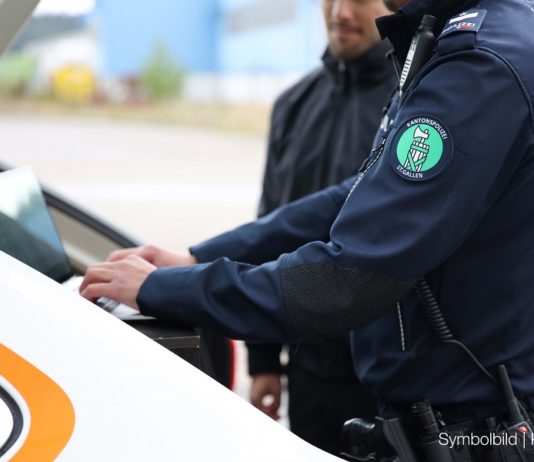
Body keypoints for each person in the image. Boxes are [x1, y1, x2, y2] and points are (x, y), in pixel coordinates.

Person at [81, 0, 534, 458]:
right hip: (434, 411)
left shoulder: (478, 66)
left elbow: (348, 278)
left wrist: (168, 289)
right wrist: (199, 259)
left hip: (476, 428)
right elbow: (359, 197)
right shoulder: (453, 42)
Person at [247, 0, 396, 455]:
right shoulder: (293, 104)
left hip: (393, 382)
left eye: (360, 0)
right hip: (310, 374)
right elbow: (268, 228)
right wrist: (264, 360)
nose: (340, 13)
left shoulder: (416, 104)